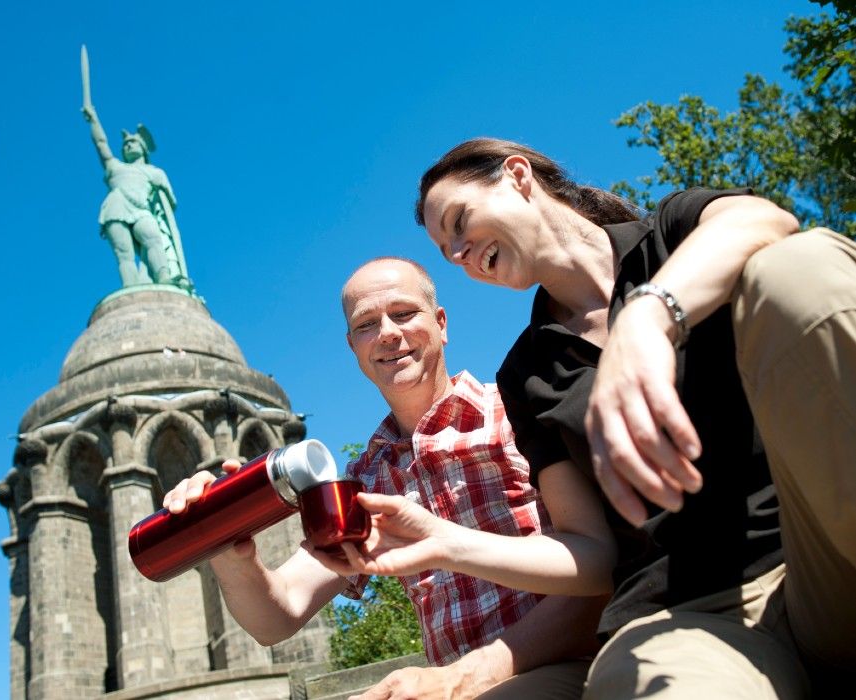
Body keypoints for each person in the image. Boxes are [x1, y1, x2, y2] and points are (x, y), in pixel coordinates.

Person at [412, 137, 856, 698]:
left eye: (460, 222)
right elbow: (589, 547)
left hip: (821, 553)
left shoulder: (674, 232)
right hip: (691, 617)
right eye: (446, 250)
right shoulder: (526, 374)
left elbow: (762, 220)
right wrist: (441, 542)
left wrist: (649, 317)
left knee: (797, 266)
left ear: (517, 175)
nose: (458, 253)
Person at [163, 256, 614, 699]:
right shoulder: (364, 480)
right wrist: (226, 548)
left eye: (403, 314)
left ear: (441, 323)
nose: (388, 334)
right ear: (353, 347)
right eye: (366, 325)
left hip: (571, 666)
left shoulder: (517, 414)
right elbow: (276, 617)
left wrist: (466, 678)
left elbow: (603, 563)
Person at [82, 104, 179, 286]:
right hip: (116, 208)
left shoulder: (155, 172)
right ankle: (131, 287)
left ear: (143, 149)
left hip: (142, 210)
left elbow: (169, 205)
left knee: (153, 239)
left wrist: (162, 193)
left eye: (132, 143)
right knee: (123, 253)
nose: (127, 146)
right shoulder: (115, 167)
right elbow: (101, 143)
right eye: (125, 145)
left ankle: (163, 277)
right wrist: (93, 119)